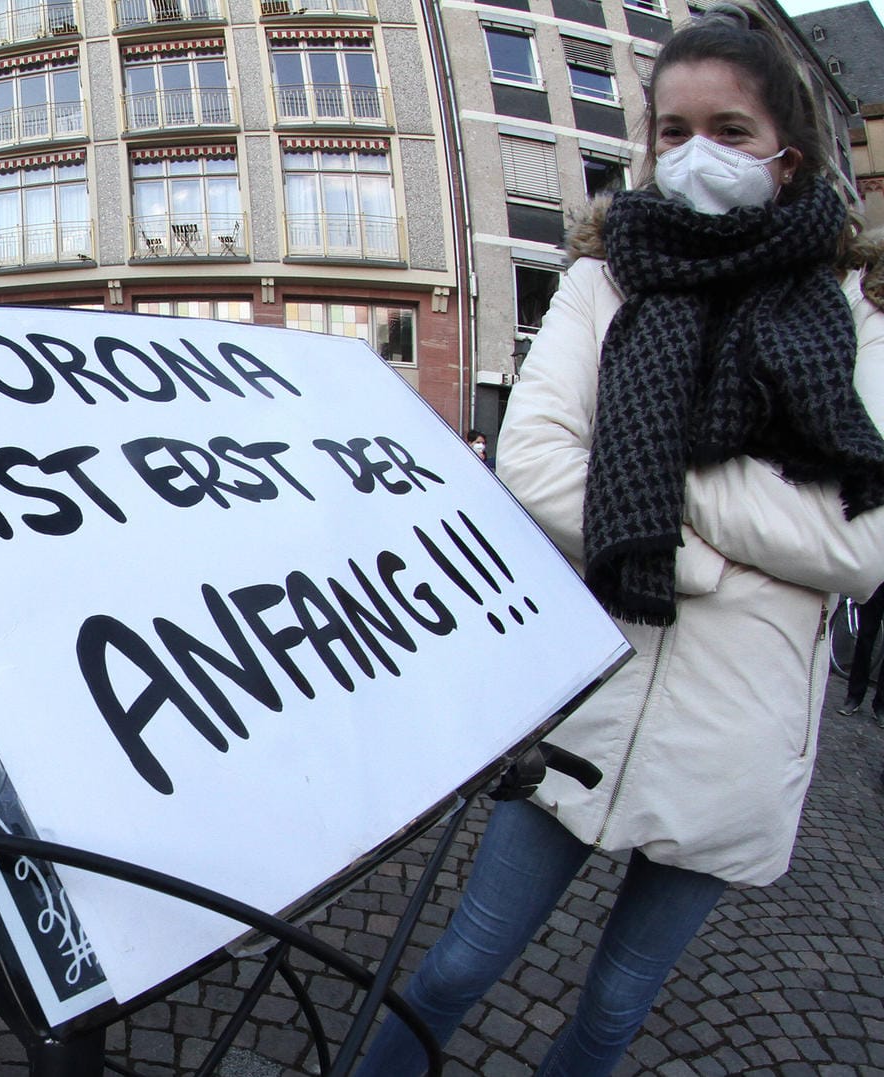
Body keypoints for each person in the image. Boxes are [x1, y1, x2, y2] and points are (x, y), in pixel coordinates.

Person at [357, 8, 884, 1074]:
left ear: (788, 155)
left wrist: (655, 473)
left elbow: (860, 549)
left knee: (611, 1013)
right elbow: (540, 465)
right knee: (456, 967)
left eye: (730, 131)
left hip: (740, 739)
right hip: (590, 703)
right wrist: (703, 556)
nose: (698, 154)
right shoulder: (603, 282)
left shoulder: (855, 314)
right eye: (674, 129)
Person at [836, 583, 884, 718]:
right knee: (864, 640)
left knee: (865, 641)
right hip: (879, 580)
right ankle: (854, 696)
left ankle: (881, 705)